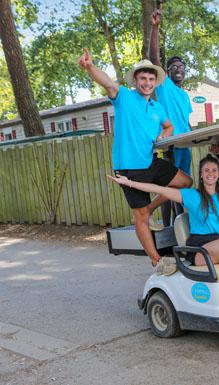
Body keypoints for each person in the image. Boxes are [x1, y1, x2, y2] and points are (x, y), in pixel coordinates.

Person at [108, 154, 219, 315]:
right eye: (206, 170)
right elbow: (159, 189)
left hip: (217, 245)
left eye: (214, 170)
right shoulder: (191, 195)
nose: (210, 174)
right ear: (200, 175)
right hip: (199, 250)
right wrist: (129, 183)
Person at [78, 48, 192, 268]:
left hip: (150, 162)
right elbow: (108, 83)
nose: (147, 83)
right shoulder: (125, 98)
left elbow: (169, 126)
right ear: (136, 80)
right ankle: (157, 260)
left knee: (186, 182)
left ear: (155, 81)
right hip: (128, 168)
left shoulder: (157, 107)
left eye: (151, 79)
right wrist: (91, 67)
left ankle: (151, 209)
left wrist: (164, 135)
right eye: (143, 78)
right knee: (139, 215)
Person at [149, 7, 193, 227]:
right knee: (171, 185)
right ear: (166, 72)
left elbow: (187, 122)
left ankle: (183, 225)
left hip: (187, 144)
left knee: (185, 186)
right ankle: (167, 226)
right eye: (173, 67)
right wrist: (155, 28)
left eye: (181, 66)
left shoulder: (184, 96)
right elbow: (154, 58)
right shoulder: (164, 86)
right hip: (173, 144)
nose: (178, 69)